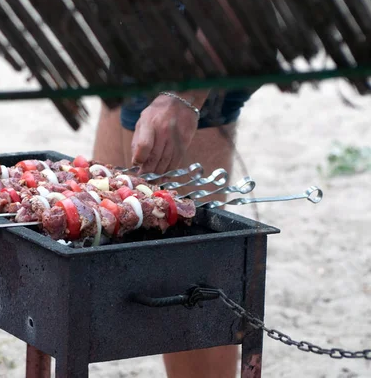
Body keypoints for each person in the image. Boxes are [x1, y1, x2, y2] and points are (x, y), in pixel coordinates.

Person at [93, 86, 256, 378]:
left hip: (190, 70)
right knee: (99, 214)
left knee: (188, 282)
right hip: (136, 65)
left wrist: (186, 98)